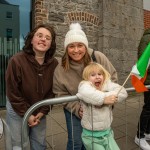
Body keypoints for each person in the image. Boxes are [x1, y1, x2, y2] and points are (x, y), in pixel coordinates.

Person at [53, 22, 118, 150]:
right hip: (75, 111)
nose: (76, 50)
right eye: (71, 46)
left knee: (97, 142)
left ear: (85, 45)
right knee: (76, 143)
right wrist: (77, 108)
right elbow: (60, 93)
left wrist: (104, 99)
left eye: (80, 45)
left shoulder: (98, 57)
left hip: (99, 109)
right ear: (66, 48)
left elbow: (112, 77)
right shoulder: (60, 68)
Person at [5, 24, 58, 150]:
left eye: (47, 38)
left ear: (51, 43)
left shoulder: (54, 64)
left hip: (39, 110)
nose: (43, 39)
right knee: (18, 144)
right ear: (31, 39)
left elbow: (53, 91)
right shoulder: (16, 60)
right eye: (39, 35)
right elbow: (13, 92)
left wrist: (43, 111)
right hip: (17, 107)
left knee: (39, 143)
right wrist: (27, 114)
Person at [76, 62, 128, 150]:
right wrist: (104, 99)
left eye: (100, 74)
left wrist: (107, 95)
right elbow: (87, 93)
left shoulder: (106, 84)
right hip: (91, 137)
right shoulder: (84, 85)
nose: (97, 77)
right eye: (93, 75)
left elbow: (122, 92)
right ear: (86, 78)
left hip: (107, 133)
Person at [134, 28, 150, 150]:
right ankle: (139, 136)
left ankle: (147, 132)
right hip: (148, 80)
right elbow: (143, 61)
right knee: (148, 108)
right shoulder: (147, 38)